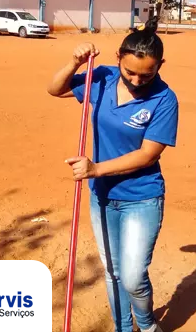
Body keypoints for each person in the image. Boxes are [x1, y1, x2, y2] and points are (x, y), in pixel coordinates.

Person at [47, 20, 178, 332]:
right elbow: (56, 89)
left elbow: (147, 154)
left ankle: (146, 326)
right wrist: (75, 62)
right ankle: (122, 327)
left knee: (132, 276)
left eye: (146, 74)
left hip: (141, 198)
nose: (136, 80)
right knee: (113, 270)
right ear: (118, 57)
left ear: (160, 65)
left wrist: (95, 169)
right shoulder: (102, 77)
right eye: (129, 71)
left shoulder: (165, 99)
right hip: (103, 197)